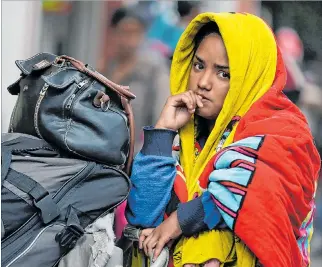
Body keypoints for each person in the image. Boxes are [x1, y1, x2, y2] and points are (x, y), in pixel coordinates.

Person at [125, 12, 321, 267]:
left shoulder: (283, 134)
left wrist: (180, 221)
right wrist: (162, 131)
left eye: (224, 74)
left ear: (250, 77)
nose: (203, 82)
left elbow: (250, 194)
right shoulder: (182, 138)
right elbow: (142, 217)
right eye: (198, 65)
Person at [103, 7, 170, 154]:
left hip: (138, 153)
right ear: (113, 33)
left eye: (135, 32)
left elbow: (160, 115)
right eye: (124, 32)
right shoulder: (107, 70)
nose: (129, 40)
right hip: (105, 151)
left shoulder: (154, 69)